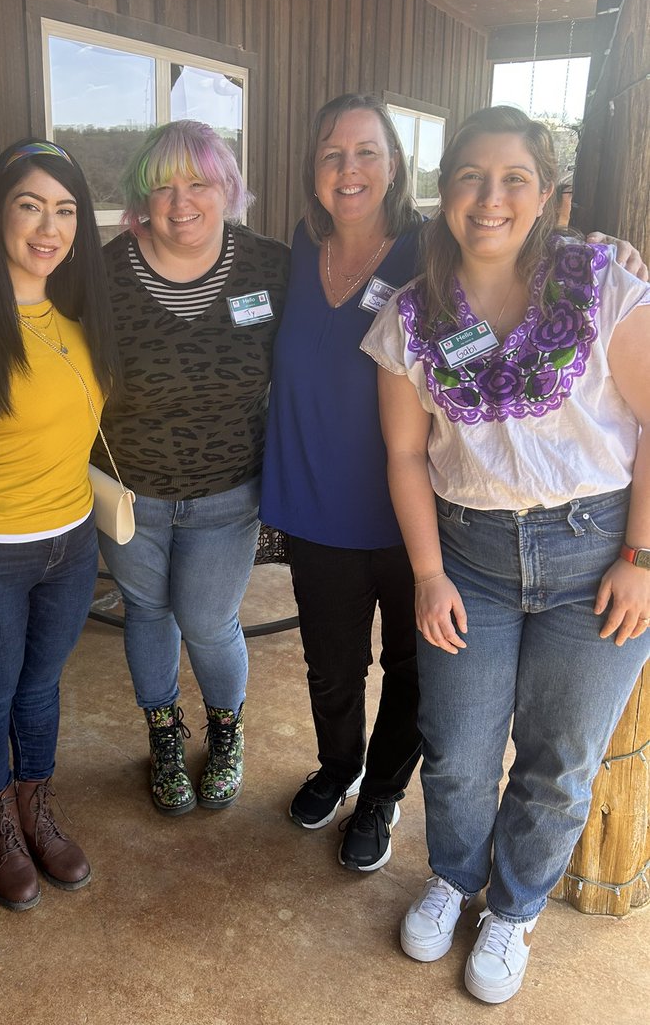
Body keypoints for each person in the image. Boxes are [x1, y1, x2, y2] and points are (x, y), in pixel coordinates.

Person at [362, 105, 650, 1004]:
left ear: (548, 196)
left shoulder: (603, 286)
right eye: (471, 177)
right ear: (444, 193)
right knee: (456, 748)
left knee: (559, 760)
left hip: (595, 554)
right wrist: (427, 574)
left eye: (513, 179)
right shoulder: (412, 315)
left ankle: (514, 908)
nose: (490, 198)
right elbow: (405, 454)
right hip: (469, 557)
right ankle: (454, 877)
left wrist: (641, 557)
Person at [94, 120, 289, 814]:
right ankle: (164, 735)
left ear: (227, 187)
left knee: (207, 620)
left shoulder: (270, 267)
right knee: (148, 612)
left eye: (199, 183)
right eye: (162, 187)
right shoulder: (103, 274)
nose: (181, 203)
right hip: (130, 491)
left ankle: (227, 732)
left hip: (227, 491)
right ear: (140, 199)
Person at [0, 139, 118, 910]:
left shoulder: (78, 319)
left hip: (71, 545)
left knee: (41, 688)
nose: (49, 227)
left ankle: (35, 811)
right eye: (30, 206)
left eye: (66, 210)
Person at [260, 94, 423, 871]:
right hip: (316, 503)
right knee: (332, 665)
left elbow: (516, 254)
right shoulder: (298, 248)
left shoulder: (430, 249)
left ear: (393, 166)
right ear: (314, 170)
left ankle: (382, 795)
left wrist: (600, 252)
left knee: (412, 669)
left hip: (414, 512)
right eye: (332, 153)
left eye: (366, 152)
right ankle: (338, 768)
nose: (348, 169)